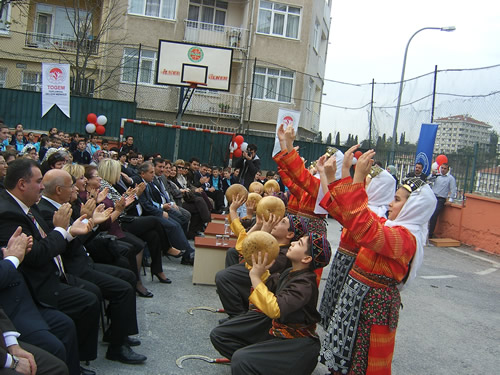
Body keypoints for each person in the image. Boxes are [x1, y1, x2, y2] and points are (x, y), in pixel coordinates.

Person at [317, 150, 436, 375]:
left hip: (372, 308)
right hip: (358, 300)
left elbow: (365, 229)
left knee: (363, 361)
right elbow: (346, 215)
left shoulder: (405, 239)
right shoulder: (390, 227)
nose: (391, 203)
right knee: (347, 359)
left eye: (398, 199)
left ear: (414, 207)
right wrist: (332, 177)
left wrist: (357, 178)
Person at [37, 169, 147, 365]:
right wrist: (89, 222)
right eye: (71, 185)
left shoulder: (63, 204)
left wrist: (92, 222)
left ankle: (117, 332)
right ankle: (117, 347)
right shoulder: (47, 211)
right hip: (74, 267)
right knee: (121, 288)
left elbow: (79, 239)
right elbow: (66, 246)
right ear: (59, 189)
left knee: (128, 276)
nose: (74, 188)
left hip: (84, 260)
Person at [0, 159, 101, 367]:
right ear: (22, 184)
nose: (42, 187)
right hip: (30, 290)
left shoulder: (27, 206)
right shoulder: (7, 213)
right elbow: (37, 254)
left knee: (71, 319)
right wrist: (61, 230)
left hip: (48, 278)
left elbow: (49, 241)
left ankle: (77, 365)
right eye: (38, 182)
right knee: (62, 333)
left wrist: (69, 232)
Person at [210, 232, 331, 375]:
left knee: (241, 360)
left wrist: (255, 277)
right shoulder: (289, 272)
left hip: (297, 346)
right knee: (220, 335)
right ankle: (255, 361)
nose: (292, 243)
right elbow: (269, 287)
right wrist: (260, 271)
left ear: (306, 258)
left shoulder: (305, 284)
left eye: (299, 243)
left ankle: (251, 362)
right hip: (277, 332)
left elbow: (275, 309)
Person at [317, 145, 395, 329]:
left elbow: (344, 204)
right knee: (333, 313)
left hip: (354, 268)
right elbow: (338, 200)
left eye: (368, 183)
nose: (361, 185)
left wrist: (337, 175)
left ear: (378, 188)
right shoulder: (367, 209)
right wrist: (330, 173)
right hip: (345, 263)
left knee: (343, 319)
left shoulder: (377, 216)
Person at [0, 227, 83, 375]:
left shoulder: (32, 211)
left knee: (65, 325)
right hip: (14, 304)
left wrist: (11, 342)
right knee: (53, 349)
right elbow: (38, 255)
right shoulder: (8, 212)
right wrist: (11, 361)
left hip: (22, 299)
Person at [216, 194, 309, 320]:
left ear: (290, 234)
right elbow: (242, 247)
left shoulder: (283, 254)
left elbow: (250, 256)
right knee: (230, 264)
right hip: (256, 275)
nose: (276, 221)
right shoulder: (272, 236)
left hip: (264, 283)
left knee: (224, 277)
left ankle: (237, 317)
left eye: (282, 221)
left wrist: (263, 231)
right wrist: (258, 225)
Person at [135, 162, 195, 266]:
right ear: (143, 174)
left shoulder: (149, 183)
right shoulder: (139, 184)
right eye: (151, 172)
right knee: (173, 226)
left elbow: (151, 203)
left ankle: (186, 251)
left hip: (157, 209)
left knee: (179, 221)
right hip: (147, 215)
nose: (153, 175)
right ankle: (187, 254)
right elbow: (146, 206)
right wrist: (161, 211)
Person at [428, 163, 457, 238]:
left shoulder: (450, 178)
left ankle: (430, 234)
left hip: (441, 198)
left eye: (445, 169)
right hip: (433, 196)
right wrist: (433, 174)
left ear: (448, 170)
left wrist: (450, 199)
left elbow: (453, 189)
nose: (443, 170)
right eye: (442, 168)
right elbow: (428, 180)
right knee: (428, 213)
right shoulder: (438, 176)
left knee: (434, 215)